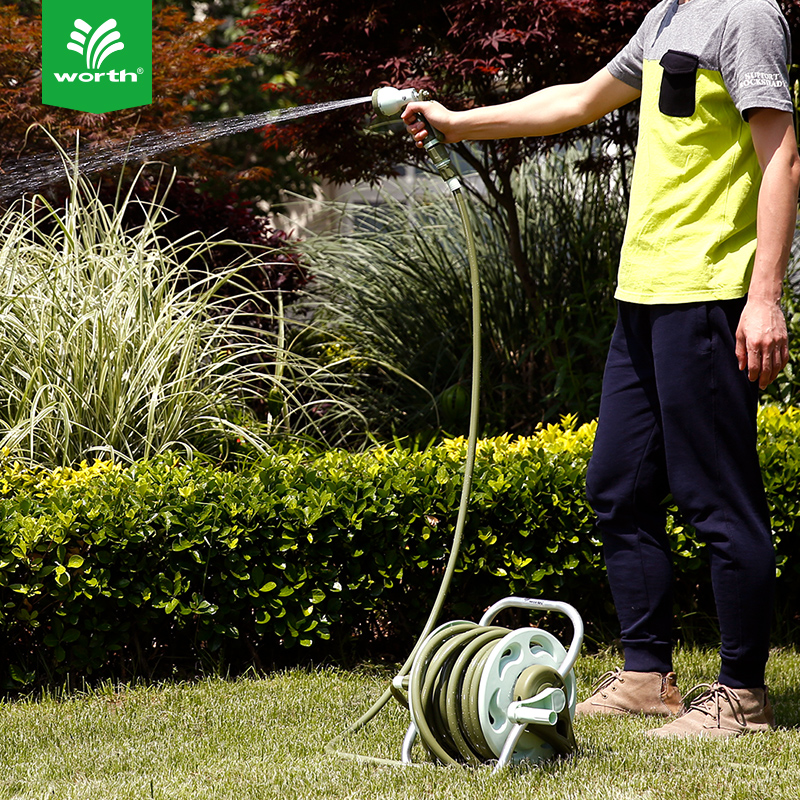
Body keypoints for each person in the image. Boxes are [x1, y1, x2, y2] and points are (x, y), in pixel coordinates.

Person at [402, 0, 800, 737]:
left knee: (717, 500)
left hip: (709, 293)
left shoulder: (744, 15)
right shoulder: (670, 14)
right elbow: (579, 102)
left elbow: (781, 154)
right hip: (642, 297)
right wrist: (458, 122)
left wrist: (765, 296)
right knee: (616, 485)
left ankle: (742, 696)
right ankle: (647, 677)